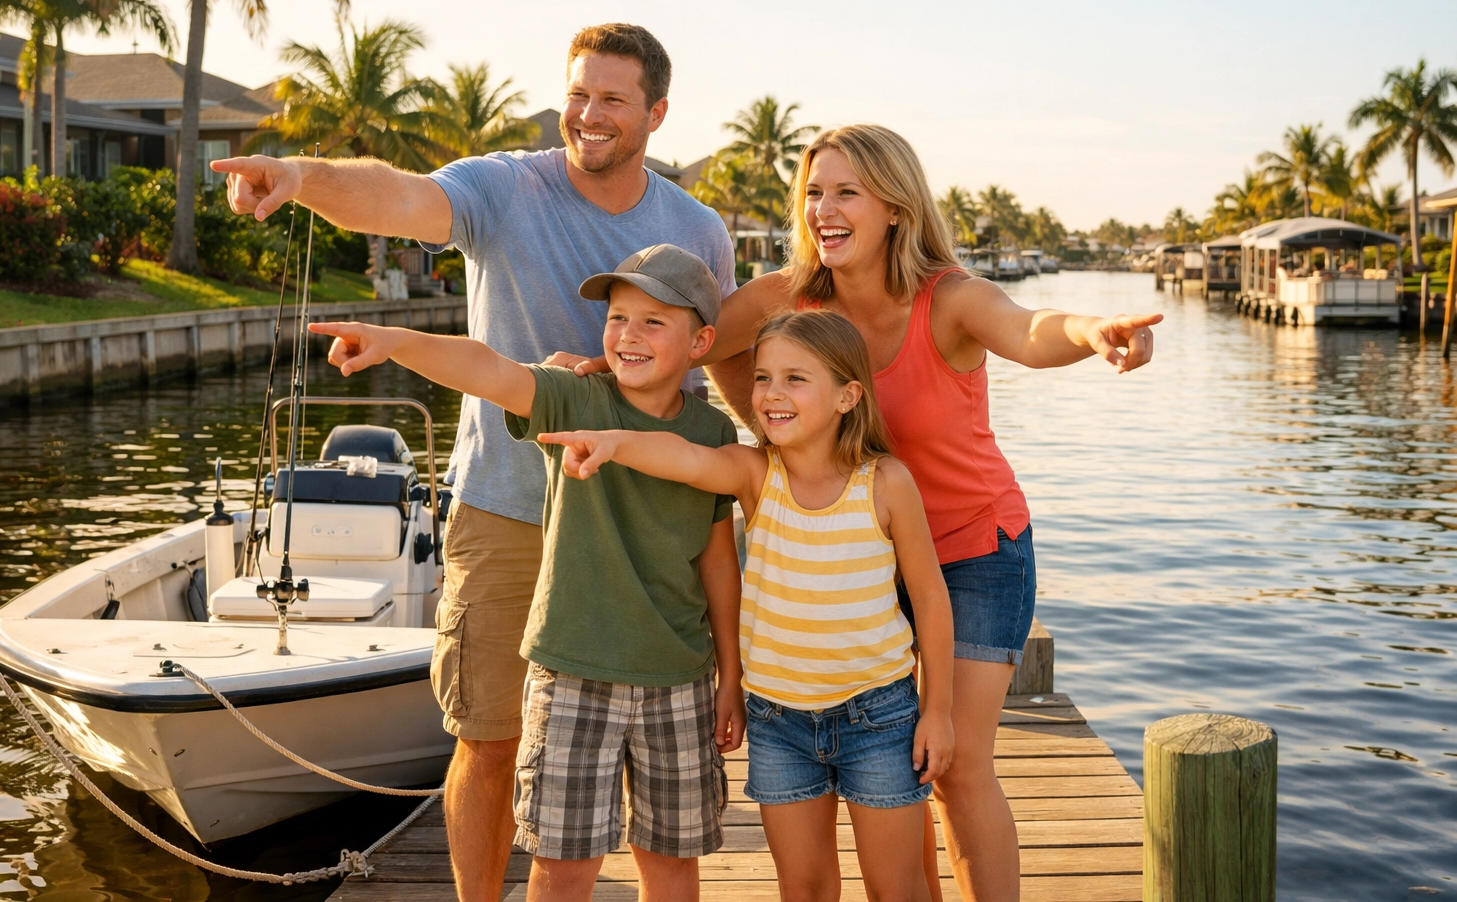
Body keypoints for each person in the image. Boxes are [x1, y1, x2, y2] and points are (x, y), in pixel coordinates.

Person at [557, 125, 1157, 901]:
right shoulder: (787, 297)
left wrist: (1092, 333)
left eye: (846, 192)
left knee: (957, 764)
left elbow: (1029, 329)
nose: (824, 210)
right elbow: (688, 340)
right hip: (855, 548)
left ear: (896, 208)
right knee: (900, 776)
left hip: (972, 549)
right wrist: (606, 367)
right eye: (813, 192)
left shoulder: (952, 298)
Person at [212, 25, 736, 902]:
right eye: (578, 92)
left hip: (643, 533)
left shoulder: (698, 230)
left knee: (652, 779)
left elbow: (709, 367)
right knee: (489, 740)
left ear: (656, 112)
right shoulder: (506, 185)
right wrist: (303, 180)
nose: (588, 114)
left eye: (612, 98)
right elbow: (397, 197)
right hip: (506, 513)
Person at [308, 244, 743, 902]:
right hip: (572, 677)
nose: (628, 334)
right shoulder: (570, 398)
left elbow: (717, 560)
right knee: (562, 868)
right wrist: (392, 340)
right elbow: (485, 367)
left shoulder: (714, 434)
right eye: (618, 316)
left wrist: (730, 675)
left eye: (654, 321)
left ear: (700, 341)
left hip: (678, 681)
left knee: (672, 865)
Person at [538, 309, 955, 902]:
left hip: (881, 717)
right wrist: (613, 443)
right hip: (779, 722)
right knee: (804, 888)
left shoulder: (886, 483)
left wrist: (936, 711)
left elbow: (932, 602)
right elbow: (686, 459)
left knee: (897, 888)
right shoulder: (756, 475)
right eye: (762, 378)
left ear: (848, 396)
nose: (772, 394)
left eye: (795, 379)